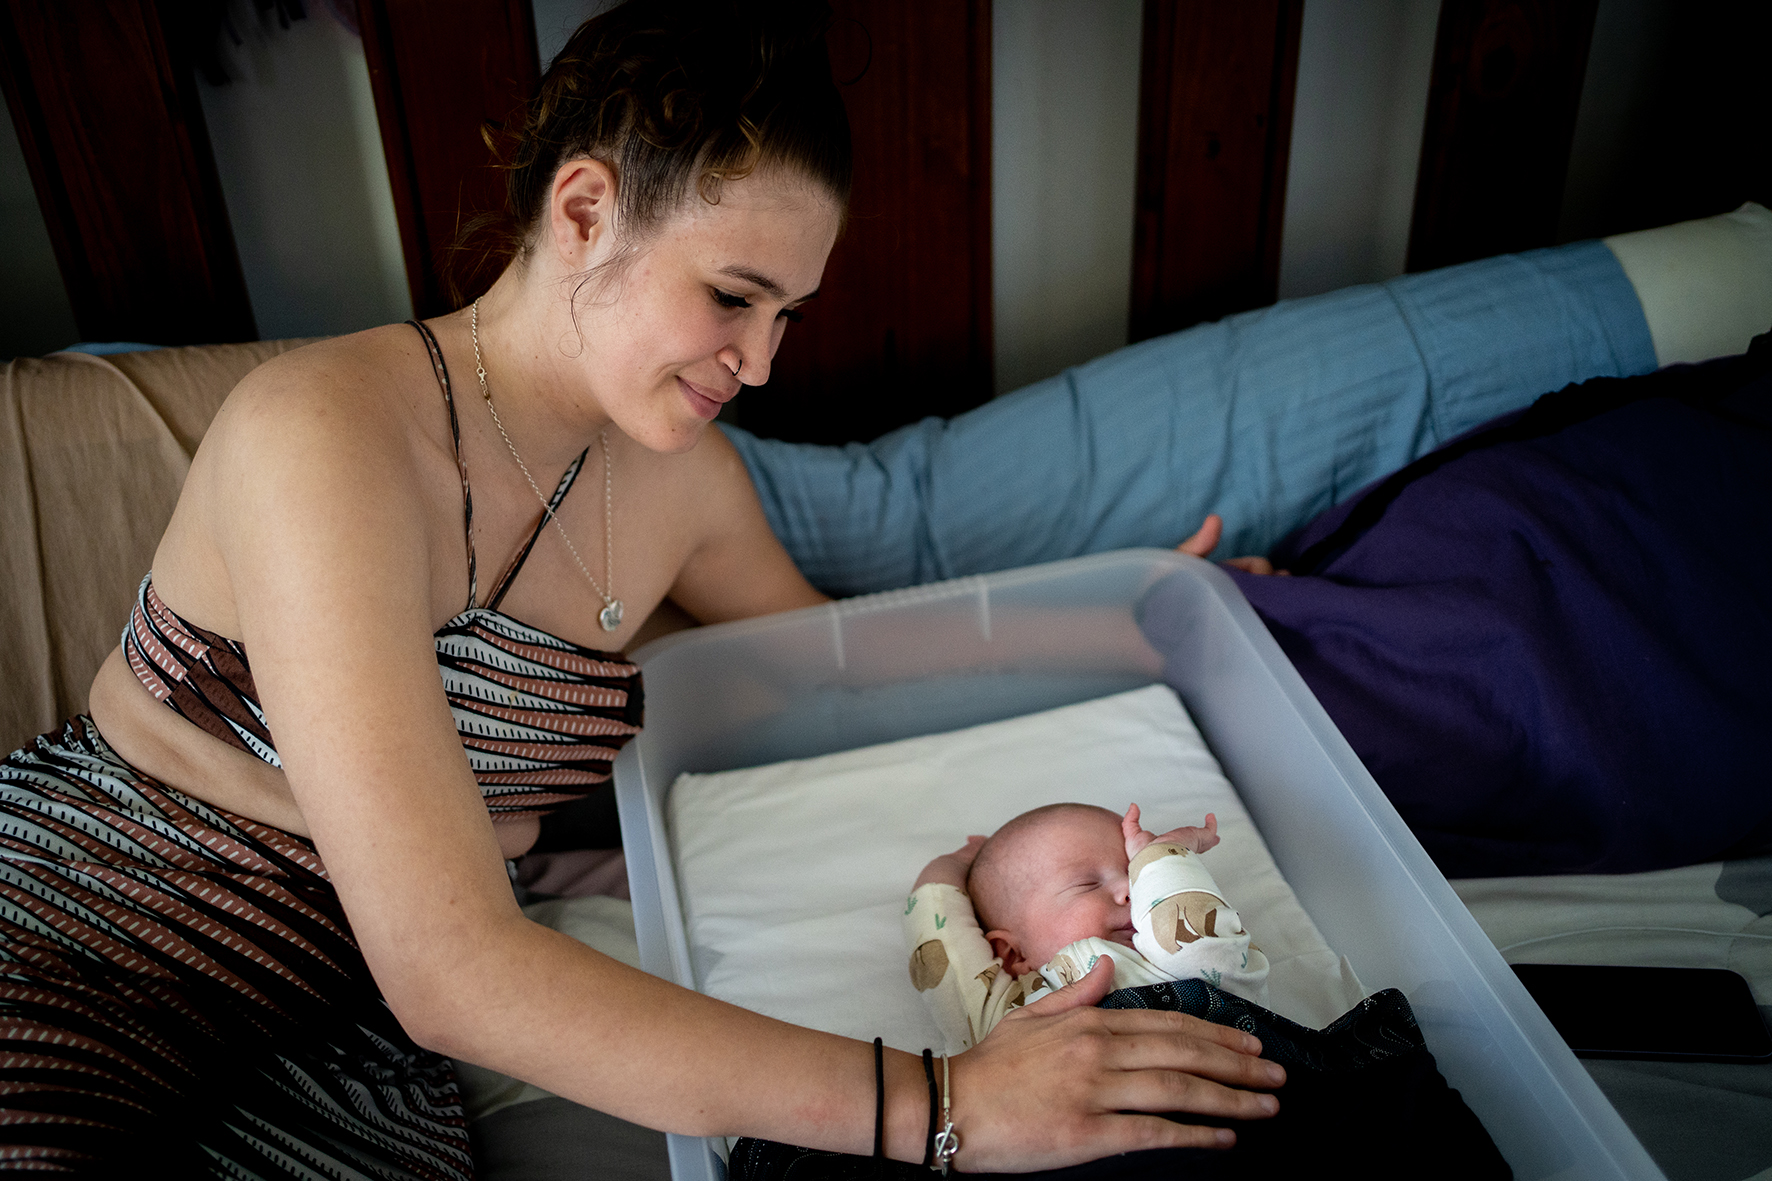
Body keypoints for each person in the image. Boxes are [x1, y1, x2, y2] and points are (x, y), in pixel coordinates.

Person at [0, 3, 1285, 1175]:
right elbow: (452, 970)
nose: (762, 361)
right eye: (733, 295)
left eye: (788, 314)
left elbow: (837, 660)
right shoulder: (325, 436)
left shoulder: (684, 485)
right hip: (81, 935)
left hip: (337, 1039)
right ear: (580, 212)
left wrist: (1118, 606)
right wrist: (946, 1102)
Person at [905, 804, 1268, 1052]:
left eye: (1138, 873)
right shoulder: (1006, 1018)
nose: (1131, 889)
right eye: (1087, 884)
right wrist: (951, 865)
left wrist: (1162, 859)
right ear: (1014, 954)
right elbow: (941, 952)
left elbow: (1199, 946)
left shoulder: (1183, 962)